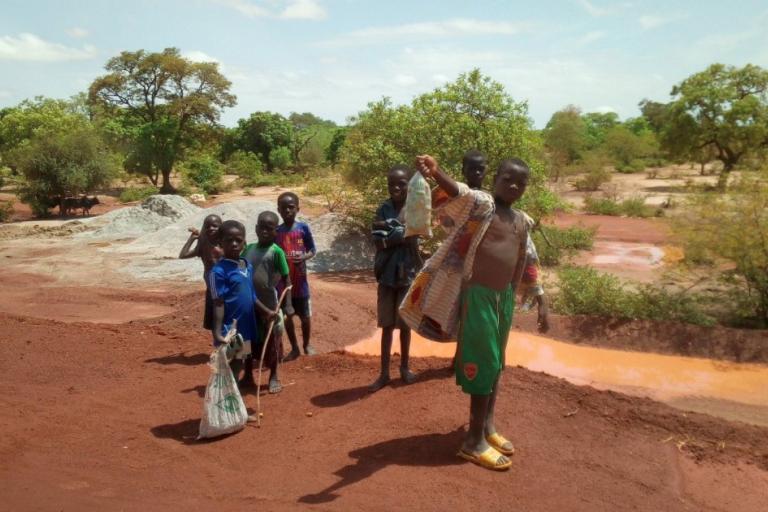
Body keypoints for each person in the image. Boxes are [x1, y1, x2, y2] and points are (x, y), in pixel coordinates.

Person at [400, 154, 540, 471]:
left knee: (497, 363)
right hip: (477, 297)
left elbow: (529, 261)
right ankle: (472, 442)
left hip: (502, 298)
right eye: (508, 179)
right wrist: (437, 172)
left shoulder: (520, 219)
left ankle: (487, 426)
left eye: (521, 182)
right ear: (495, 179)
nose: (514, 186)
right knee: (485, 361)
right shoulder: (482, 207)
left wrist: (539, 298)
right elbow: (460, 192)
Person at [369, 165, 423, 392]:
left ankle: (404, 368)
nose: (396, 187)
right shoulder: (384, 208)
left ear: (409, 185)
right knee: (387, 326)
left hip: (407, 274)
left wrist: (394, 233)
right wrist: (400, 233)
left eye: (401, 183)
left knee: (405, 325)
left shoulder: (415, 208)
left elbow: (414, 237)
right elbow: (378, 239)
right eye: (392, 184)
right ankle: (384, 373)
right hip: (386, 275)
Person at [241, 211, 294, 394]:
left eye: (269, 229)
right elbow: (241, 274)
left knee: (272, 341)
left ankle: (273, 375)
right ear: (256, 228)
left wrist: (287, 304)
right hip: (248, 305)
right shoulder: (248, 250)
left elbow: (287, 280)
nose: (264, 231)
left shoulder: (276, 252)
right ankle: (247, 373)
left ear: (275, 232)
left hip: (269, 304)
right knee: (247, 340)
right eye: (261, 227)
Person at [209, 220, 259, 383]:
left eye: (238, 240)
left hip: (247, 324)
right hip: (230, 327)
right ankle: (229, 395)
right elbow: (218, 302)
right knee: (233, 362)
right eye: (229, 240)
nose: (234, 244)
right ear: (220, 243)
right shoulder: (218, 272)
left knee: (242, 358)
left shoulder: (246, 265)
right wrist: (217, 333)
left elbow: (252, 296)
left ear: (245, 241)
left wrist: (268, 312)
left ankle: (233, 390)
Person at [275, 192, 317, 361]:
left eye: (291, 207)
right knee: (287, 317)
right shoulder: (276, 232)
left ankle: (307, 344)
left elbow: (312, 250)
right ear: (278, 210)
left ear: (298, 209)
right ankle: (294, 348)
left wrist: (304, 257)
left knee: (305, 317)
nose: (287, 211)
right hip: (284, 284)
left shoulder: (303, 229)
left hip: (301, 283)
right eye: (283, 208)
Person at [179, 214, 223, 334]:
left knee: (229, 319)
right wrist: (192, 239)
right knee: (215, 321)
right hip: (212, 289)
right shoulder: (203, 245)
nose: (211, 228)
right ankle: (218, 347)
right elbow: (183, 255)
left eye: (215, 226)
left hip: (227, 288)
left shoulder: (226, 244)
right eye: (207, 226)